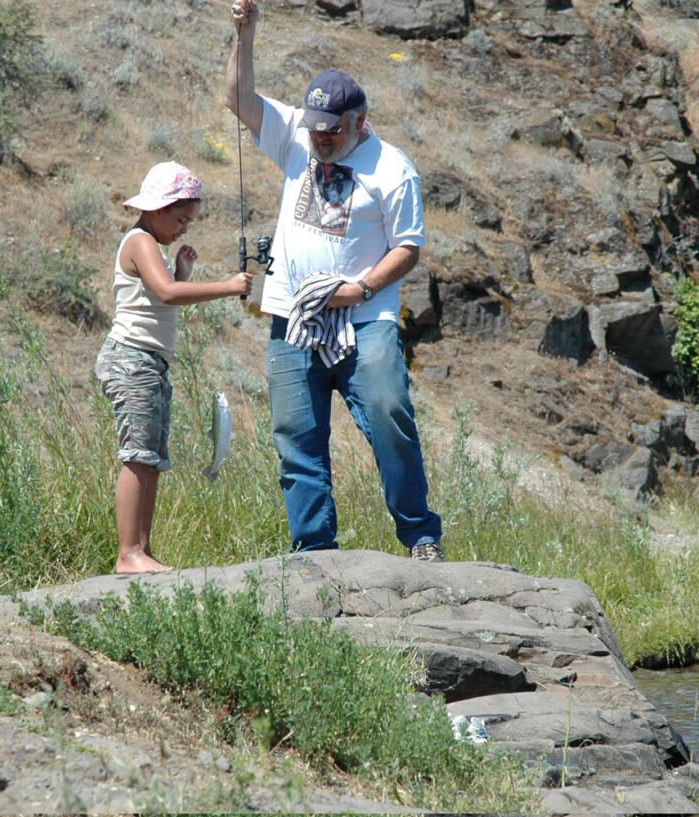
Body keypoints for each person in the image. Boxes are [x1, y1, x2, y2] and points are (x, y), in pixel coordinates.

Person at [224, 0, 445, 561]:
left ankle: (420, 535)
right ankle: (314, 552)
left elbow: (409, 248)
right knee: (296, 437)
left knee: (389, 414)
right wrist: (245, 35)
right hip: (292, 314)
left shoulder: (393, 170)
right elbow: (239, 100)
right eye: (315, 129)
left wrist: (360, 290)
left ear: (360, 123)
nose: (320, 140)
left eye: (333, 131)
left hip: (364, 318)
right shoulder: (297, 136)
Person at [95, 161, 253, 574]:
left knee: (152, 459)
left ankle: (142, 550)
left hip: (150, 363)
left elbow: (159, 291)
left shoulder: (153, 247)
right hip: (131, 359)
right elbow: (166, 294)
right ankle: (128, 552)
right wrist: (227, 286)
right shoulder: (140, 240)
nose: (184, 228)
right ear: (157, 209)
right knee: (137, 456)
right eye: (181, 219)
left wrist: (181, 270)